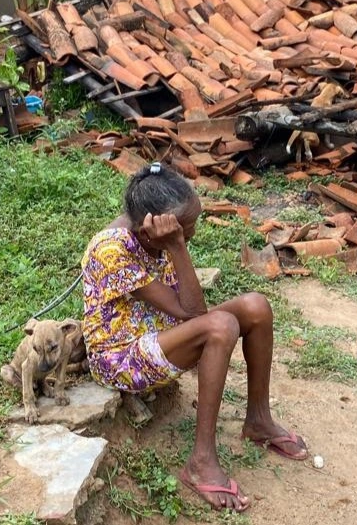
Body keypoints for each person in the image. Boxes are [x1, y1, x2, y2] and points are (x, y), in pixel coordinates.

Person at [80, 162, 308, 513]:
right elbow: (195, 314)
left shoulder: (152, 228)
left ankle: (259, 420)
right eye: (187, 230)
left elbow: (186, 310)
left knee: (256, 306)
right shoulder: (112, 251)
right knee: (220, 326)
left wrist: (172, 242)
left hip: (159, 332)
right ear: (149, 230)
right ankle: (200, 461)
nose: (193, 235)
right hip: (120, 357)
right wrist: (177, 246)